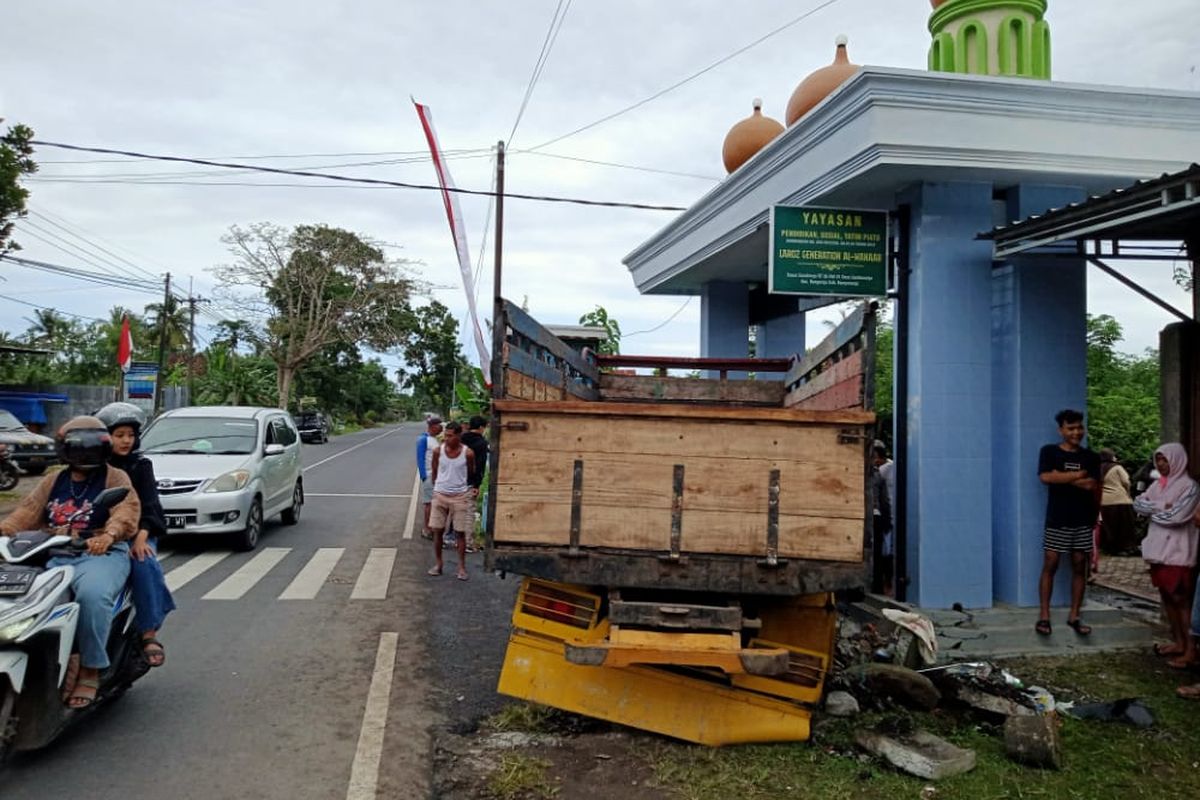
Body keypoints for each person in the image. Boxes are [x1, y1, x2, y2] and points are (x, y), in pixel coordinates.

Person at [0, 416, 140, 708]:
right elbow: (25, 514)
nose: (85, 454)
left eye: (92, 447)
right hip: (53, 551)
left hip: (100, 553)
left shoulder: (115, 477)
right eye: (79, 448)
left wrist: (109, 536)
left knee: (92, 595)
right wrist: (4, 532)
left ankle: (90, 669)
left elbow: (125, 511)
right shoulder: (53, 480)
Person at [97, 401, 176, 668]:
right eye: (119, 435)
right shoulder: (93, 466)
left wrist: (142, 536)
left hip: (136, 533)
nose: (126, 441)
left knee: (144, 563)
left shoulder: (140, 466)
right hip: (97, 534)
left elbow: (151, 505)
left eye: (130, 435)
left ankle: (148, 632)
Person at [1133, 443, 1199, 668]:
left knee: (1182, 601)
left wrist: (1153, 509)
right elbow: (1138, 504)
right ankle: (1178, 642)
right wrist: (1161, 505)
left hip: (1178, 554)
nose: (1161, 464)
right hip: (1158, 552)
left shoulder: (1189, 486)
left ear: (1177, 460)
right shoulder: (1160, 485)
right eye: (1158, 460)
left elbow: (1176, 517)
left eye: (1165, 460)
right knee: (1168, 598)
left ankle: (1191, 649)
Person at [1035, 409, 1101, 637]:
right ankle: (1044, 616)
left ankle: (1075, 615)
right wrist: (1076, 476)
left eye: (1079, 428)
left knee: (1079, 564)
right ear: (1061, 430)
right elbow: (1045, 477)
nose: (1076, 432)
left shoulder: (1090, 457)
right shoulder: (1049, 452)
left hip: (1082, 519)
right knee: (1050, 563)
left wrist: (1061, 477)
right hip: (1057, 518)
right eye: (1071, 428)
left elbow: (1091, 485)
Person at [426, 421, 476, 581]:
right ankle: (438, 564)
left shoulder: (468, 453)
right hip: (440, 494)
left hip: (459, 496)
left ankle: (461, 567)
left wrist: (460, 486)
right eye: (445, 435)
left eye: (450, 436)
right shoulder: (437, 451)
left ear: (459, 436)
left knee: (460, 533)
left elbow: (470, 472)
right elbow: (434, 470)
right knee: (437, 531)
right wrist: (437, 487)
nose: (447, 439)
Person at [1099, 448, 1137, 555]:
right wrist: (1128, 493)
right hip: (1121, 500)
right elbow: (1126, 481)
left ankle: (1111, 548)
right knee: (1125, 527)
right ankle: (1127, 548)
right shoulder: (1117, 467)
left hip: (1104, 502)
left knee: (1109, 527)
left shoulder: (1097, 468)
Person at [460, 415, 490, 551]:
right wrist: (477, 485)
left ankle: (450, 539)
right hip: (470, 481)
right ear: (480, 428)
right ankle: (467, 543)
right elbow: (480, 465)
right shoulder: (481, 444)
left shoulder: (461, 439)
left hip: (455, 480)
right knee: (469, 512)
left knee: (454, 510)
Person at [870, 442, 894, 596]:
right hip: (876, 516)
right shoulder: (876, 474)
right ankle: (877, 588)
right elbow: (885, 501)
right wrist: (887, 522)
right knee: (877, 554)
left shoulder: (874, 473)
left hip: (866, 517)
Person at [415, 416, 443, 539]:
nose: (441, 428)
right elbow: (420, 458)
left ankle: (431, 527)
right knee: (429, 504)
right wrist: (424, 476)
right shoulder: (423, 439)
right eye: (439, 426)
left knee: (434, 503)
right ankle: (426, 529)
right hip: (429, 475)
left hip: (436, 476)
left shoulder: (435, 439)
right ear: (432, 426)